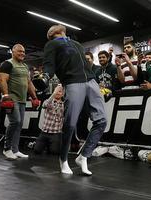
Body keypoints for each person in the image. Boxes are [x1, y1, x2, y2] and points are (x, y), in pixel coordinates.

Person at [43, 24, 107, 175]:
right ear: (56, 32)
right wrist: (45, 76)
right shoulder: (52, 44)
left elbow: (84, 64)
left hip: (91, 81)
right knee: (70, 123)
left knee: (102, 120)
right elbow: (49, 64)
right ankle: (63, 159)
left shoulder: (77, 44)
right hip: (73, 82)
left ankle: (83, 156)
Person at [0, 44, 39, 160]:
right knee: (15, 121)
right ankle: (7, 149)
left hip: (22, 99)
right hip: (11, 99)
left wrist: (34, 97)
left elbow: (29, 83)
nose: (22, 53)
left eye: (24, 52)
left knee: (19, 124)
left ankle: (15, 150)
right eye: (19, 51)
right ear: (13, 52)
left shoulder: (25, 66)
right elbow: (2, 80)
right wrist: (6, 95)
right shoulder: (7, 64)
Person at [34, 84, 64, 154]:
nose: (57, 93)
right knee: (37, 150)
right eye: (56, 91)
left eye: (59, 92)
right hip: (44, 132)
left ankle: (50, 145)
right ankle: (45, 144)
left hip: (56, 133)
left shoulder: (64, 105)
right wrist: (54, 93)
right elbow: (45, 105)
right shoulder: (48, 101)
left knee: (54, 152)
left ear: (62, 94)